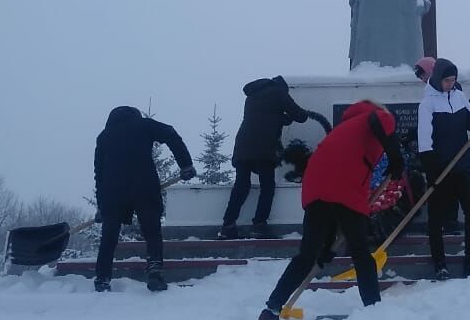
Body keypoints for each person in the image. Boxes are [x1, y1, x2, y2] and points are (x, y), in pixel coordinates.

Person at [254, 100, 404, 320]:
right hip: (346, 187)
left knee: (307, 255)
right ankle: (374, 312)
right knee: (361, 253)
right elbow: (378, 121)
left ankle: (271, 309)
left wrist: (326, 247)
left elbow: (332, 189)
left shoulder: (347, 128)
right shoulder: (379, 115)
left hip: (317, 187)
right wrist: (395, 157)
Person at [93, 106, 195, 292]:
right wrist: (186, 165)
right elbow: (171, 134)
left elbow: (98, 173)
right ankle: (155, 271)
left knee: (108, 237)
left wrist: (101, 205)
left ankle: (102, 278)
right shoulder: (143, 125)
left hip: (111, 192)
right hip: (144, 185)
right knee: (152, 232)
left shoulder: (104, 136)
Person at [220, 76, 310, 240]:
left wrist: (282, 118)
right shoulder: (278, 92)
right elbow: (300, 115)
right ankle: (259, 225)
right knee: (267, 187)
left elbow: (264, 117)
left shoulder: (252, 96)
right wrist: (296, 114)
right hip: (263, 148)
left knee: (241, 187)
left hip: (243, 146)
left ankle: (227, 226)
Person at [418, 58, 470, 279]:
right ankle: (440, 264)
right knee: (436, 218)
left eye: (454, 80)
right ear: (438, 79)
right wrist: (431, 168)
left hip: (460, 166)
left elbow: (469, 119)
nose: (451, 84)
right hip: (440, 169)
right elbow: (424, 140)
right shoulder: (427, 104)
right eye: (447, 80)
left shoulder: (459, 96)